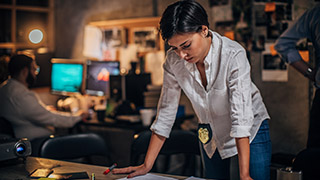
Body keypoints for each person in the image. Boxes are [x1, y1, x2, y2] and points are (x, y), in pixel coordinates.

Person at [113, 1, 271, 180]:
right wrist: (146, 165)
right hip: (210, 129)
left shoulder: (233, 55)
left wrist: (244, 175)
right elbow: (166, 113)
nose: (181, 55)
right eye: (174, 47)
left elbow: (241, 118)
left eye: (186, 45)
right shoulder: (173, 61)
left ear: (204, 30)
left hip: (250, 128)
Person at [0, 54, 85, 142]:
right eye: (34, 69)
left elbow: (27, 112)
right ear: (25, 71)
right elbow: (52, 119)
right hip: (36, 143)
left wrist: (45, 110)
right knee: (90, 140)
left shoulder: (5, 88)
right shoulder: (21, 95)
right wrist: (78, 117)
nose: (35, 74)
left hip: (27, 141)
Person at [274, 4, 320, 149]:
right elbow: (283, 45)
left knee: (315, 161)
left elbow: (283, 45)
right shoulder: (315, 13)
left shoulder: (315, 12)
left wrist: (311, 73)